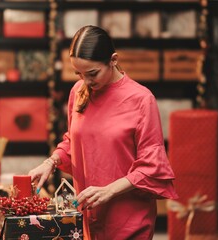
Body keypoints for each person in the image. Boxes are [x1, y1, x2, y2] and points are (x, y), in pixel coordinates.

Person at [28, 25, 178, 240]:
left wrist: (108, 190)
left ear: (113, 60)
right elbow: (74, 142)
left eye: (92, 73)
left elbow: (151, 166)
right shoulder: (78, 92)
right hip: (87, 215)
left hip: (128, 217)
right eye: (78, 73)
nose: (85, 82)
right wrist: (50, 163)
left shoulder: (141, 100)